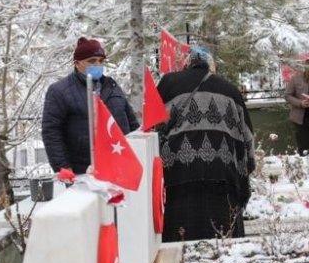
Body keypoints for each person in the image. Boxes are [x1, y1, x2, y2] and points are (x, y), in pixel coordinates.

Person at [157, 47, 255, 242]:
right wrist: (248, 167)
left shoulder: (169, 83)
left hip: (177, 175)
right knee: (221, 236)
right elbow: (247, 137)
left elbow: (152, 126)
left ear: (187, 64)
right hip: (222, 176)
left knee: (179, 236)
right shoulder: (230, 90)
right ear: (210, 66)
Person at [42, 37, 139, 174]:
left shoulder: (111, 86)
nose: (97, 65)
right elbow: (51, 131)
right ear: (77, 63)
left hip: (119, 161)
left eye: (101, 61)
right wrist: (62, 166)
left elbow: (131, 121)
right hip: (83, 169)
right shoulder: (60, 91)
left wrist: (138, 150)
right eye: (92, 61)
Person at [283, 57, 309, 155]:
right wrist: (300, 103)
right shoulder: (295, 78)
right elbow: (287, 95)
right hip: (300, 119)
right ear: (306, 68)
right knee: (303, 149)